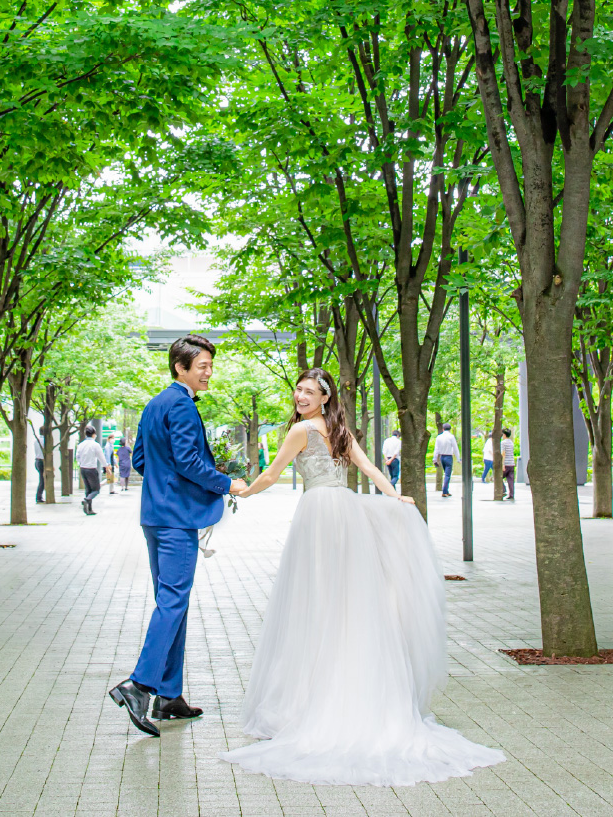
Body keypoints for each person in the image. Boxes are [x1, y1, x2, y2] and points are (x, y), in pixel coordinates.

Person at [219, 369, 504, 786]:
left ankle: (309, 699)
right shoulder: (339, 430)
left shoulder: (301, 430)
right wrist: (395, 497)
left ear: (324, 397)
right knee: (345, 599)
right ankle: (341, 690)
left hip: (318, 512)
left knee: (316, 600)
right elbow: (370, 469)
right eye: (299, 390)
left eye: (309, 392)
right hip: (344, 511)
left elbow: (273, 474)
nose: (301, 396)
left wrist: (239, 490)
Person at [108, 334, 247, 737]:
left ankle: (168, 696)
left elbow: (140, 460)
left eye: (209, 365)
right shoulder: (183, 406)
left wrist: (165, 486)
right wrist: (226, 483)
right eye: (202, 366)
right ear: (180, 367)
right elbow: (187, 461)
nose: (208, 372)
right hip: (176, 522)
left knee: (173, 602)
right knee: (172, 602)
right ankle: (139, 686)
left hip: (155, 516)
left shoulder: (154, 404)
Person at [76, 426, 110, 516]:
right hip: (91, 469)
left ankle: (89, 509)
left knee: (88, 489)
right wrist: (106, 467)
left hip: (83, 468)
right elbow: (101, 457)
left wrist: (81, 463)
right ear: (94, 434)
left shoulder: (81, 445)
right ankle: (86, 500)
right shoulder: (95, 445)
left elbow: (77, 457)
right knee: (96, 490)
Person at [433, 423, 460, 498]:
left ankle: (446, 491)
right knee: (447, 475)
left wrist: (435, 459)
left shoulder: (439, 437)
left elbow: (436, 449)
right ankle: (444, 491)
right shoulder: (451, 437)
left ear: (443, 429)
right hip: (449, 457)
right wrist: (458, 458)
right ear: (450, 429)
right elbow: (455, 448)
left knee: (446, 474)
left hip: (442, 457)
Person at [502, 428, 516, 500]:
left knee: (499, 477)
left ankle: (503, 490)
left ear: (504, 435)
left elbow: (503, 454)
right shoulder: (511, 442)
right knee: (510, 479)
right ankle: (511, 494)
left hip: (506, 463)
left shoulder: (503, 443)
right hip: (511, 463)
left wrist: (503, 464)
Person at [33, 426, 45, 504]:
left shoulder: (36, 441)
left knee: (42, 479)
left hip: (37, 460)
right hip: (42, 461)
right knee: (42, 480)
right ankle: (39, 496)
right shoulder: (45, 441)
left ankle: (39, 496)